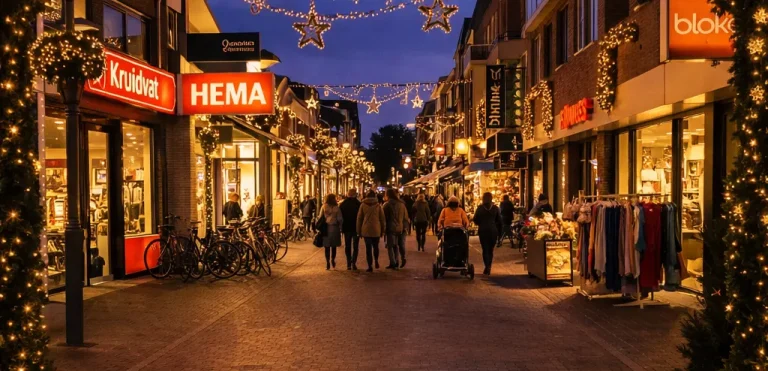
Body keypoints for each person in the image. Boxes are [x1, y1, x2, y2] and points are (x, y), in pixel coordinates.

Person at [473, 192, 503, 275]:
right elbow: (500, 221)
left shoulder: (480, 208)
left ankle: (487, 266)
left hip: (483, 230)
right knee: (490, 250)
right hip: (493, 230)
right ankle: (489, 265)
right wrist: (500, 234)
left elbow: (475, 219)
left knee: (485, 249)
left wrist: (480, 223)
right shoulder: (495, 208)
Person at [357, 189, 386, 272]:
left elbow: (359, 219)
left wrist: (358, 231)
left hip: (366, 229)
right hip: (376, 228)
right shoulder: (378, 205)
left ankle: (370, 265)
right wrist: (383, 230)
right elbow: (382, 219)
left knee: (368, 248)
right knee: (376, 246)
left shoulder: (363, 205)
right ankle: (376, 260)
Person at [383, 188, 410, 269]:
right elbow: (405, 217)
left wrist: (383, 228)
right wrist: (405, 227)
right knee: (396, 245)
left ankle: (393, 262)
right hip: (400, 227)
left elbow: (384, 218)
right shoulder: (401, 204)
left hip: (390, 227)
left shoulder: (387, 205)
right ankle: (397, 261)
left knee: (390, 246)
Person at [318, 194, 343, 270]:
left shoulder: (324, 206)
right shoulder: (337, 208)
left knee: (327, 246)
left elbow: (320, 217)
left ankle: (327, 262)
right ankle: (333, 259)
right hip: (335, 228)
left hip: (326, 228)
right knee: (333, 246)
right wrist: (340, 227)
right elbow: (340, 219)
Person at [339, 188, 362, 270]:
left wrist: (341, 227)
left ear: (348, 194)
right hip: (356, 228)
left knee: (347, 246)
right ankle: (353, 262)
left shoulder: (343, 204)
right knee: (355, 246)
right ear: (355, 194)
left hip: (346, 228)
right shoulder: (359, 204)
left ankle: (348, 262)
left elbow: (340, 217)